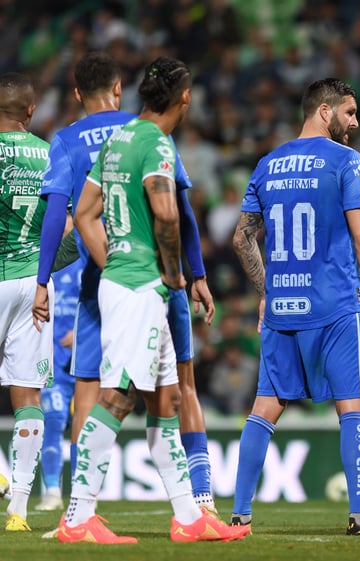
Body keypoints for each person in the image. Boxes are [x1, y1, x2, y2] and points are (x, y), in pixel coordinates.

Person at [59, 56, 246, 543]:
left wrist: (113, 262)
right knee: (118, 397)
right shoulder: (155, 143)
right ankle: (77, 518)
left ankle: (188, 517)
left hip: (128, 281)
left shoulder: (119, 139)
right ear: (184, 99)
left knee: (168, 399)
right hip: (143, 288)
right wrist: (171, 273)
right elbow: (167, 213)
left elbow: (84, 212)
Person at [230, 78, 360, 537]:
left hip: (284, 307)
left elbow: (242, 237)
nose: (355, 122)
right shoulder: (346, 161)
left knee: (264, 407)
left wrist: (267, 291)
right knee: (354, 406)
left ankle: (240, 516)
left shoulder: (267, 164)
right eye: (350, 112)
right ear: (325, 111)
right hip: (337, 305)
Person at [0, 71, 52, 532]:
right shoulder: (50, 154)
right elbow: (69, 224)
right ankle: (17, 509)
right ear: (30, 110)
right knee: (28, 395)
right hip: (34, 284)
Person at [36, 254, 82, 512]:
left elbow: (101, 300)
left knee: (83, 425)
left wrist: (80, 329)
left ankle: (82, 491)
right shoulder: (45, 261)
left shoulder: (84, 259)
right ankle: (52, 491)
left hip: (85, 357)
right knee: (53, 422)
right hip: (52, 360)